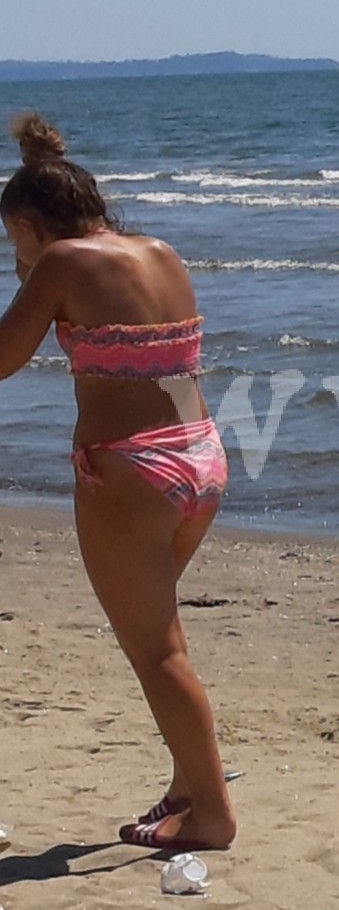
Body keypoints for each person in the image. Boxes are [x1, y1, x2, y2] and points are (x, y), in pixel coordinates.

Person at [0, 114, 236, 850]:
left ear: (32, 224)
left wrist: (33, 279)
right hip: (199, 457)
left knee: (156, 651)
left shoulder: (62, 263)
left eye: (13, 243)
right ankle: (185, 788)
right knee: (162, 634)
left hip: (130, 471)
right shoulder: (159, 251)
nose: (16, 259)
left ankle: (214, 815)